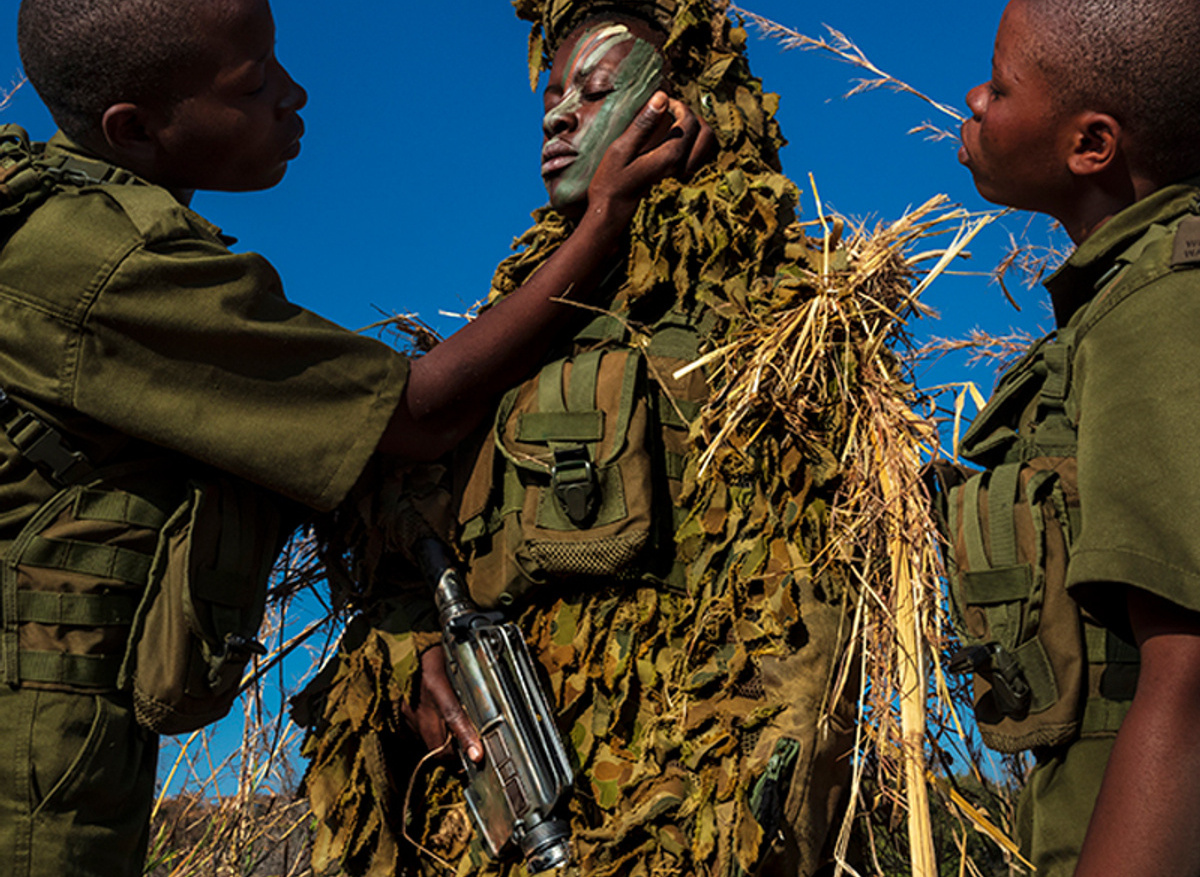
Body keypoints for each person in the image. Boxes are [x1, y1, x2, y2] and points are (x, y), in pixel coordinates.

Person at [0, 0, 711, 874]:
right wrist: (602, 224)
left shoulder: (73, 229)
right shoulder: (105, 271)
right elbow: (413, 415)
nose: (296, 93)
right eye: (256, 81)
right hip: (32, 752)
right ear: (137, 130)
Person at [300, 1, 857, 875]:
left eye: (595, 92)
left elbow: (795, 621)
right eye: (551, 96)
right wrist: (415, 663)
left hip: (667, 814)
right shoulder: (519, 324)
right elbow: (415, 544)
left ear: (673, 110)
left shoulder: (763, 320)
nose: (557, 115)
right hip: (499, 814)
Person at [948, 0, 1200, 874]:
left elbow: (1190, 673)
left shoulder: (1159, 306)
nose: (976, 98)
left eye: (1003, 85)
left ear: (1091, 145)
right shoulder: (1109, 311)